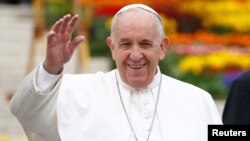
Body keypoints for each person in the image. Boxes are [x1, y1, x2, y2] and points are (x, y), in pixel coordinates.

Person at [9, 4, 222, 141]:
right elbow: (25, 111)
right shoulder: (77, 91)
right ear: (112, 47)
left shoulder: (198, 100)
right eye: (126, 44)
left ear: (163, 47)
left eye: (145, 44)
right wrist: (50, 67)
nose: (135, 55)